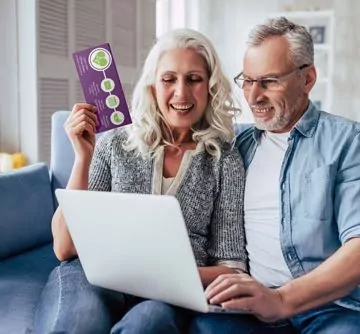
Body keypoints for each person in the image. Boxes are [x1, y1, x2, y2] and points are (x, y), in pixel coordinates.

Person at [34, 28, 247, 334]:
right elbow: (65, 247)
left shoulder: (224, 160)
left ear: (210, 86)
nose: (181, 93)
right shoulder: (115, 143)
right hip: (95, 277)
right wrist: (83, 157)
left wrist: (169, 276)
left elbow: (231, 268)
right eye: (169, 79)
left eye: (194, 79)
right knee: (79, 323)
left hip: (169, 294)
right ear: (152, 87)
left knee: (145, 326)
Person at [189, 16, 360, 334]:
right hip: (250, 308)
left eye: (269, 82)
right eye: (248, 81)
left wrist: (281, 299)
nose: (253, 97)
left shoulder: (348, 141)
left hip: (330, 309)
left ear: (307, 78)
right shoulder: (234, 146)